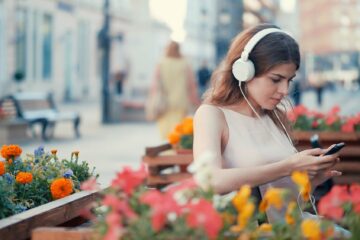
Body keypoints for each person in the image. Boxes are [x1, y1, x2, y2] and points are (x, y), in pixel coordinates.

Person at [193, 24, 341, 222]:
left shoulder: (275, 115)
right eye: (276, 79)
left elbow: (283, 199)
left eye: (289, 80)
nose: (285, 90)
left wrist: (310, 182)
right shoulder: (212, 115)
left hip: (292, 228)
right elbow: (209, 181)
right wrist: (288, 167)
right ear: (243, 71)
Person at [150, 41, 200, 139]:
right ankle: (174, 149)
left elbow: (155, 85)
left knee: (166, 132)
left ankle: (167, 148)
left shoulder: (161, 62)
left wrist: (153, 100)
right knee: (178, 131)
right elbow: (191, 85)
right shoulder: (185, 63)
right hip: (181, 102)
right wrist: (195, 101)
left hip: (164, 104)